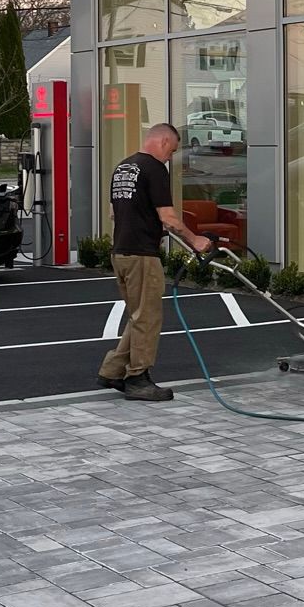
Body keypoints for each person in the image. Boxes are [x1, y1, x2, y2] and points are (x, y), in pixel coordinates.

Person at [98, 123, 183, 402]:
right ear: (162, 141)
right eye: (172, 150)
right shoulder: (155, 169)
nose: (170, 156)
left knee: (138, 316)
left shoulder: (123, 168)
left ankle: (112, 371)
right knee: (148, 318)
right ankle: (138, 378)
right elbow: (168, 218)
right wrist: (197, 241)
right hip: (142, 255)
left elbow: (114, 213)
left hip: (121, 252)